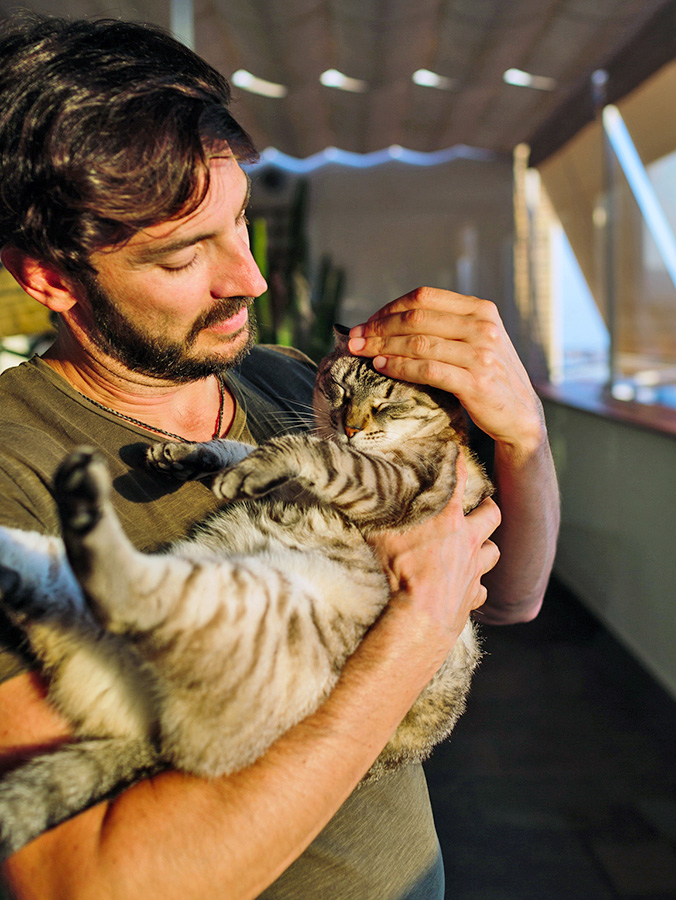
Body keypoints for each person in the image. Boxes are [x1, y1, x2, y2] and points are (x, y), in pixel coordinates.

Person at [0, 13, 559, 900]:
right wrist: (411, 636)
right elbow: (89, 882)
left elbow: (514, 599)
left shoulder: (290, 379)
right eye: (187, 254)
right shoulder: (15, 464)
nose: (250, 278)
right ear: (50, 278)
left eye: (239, 225)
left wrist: (524, 438)